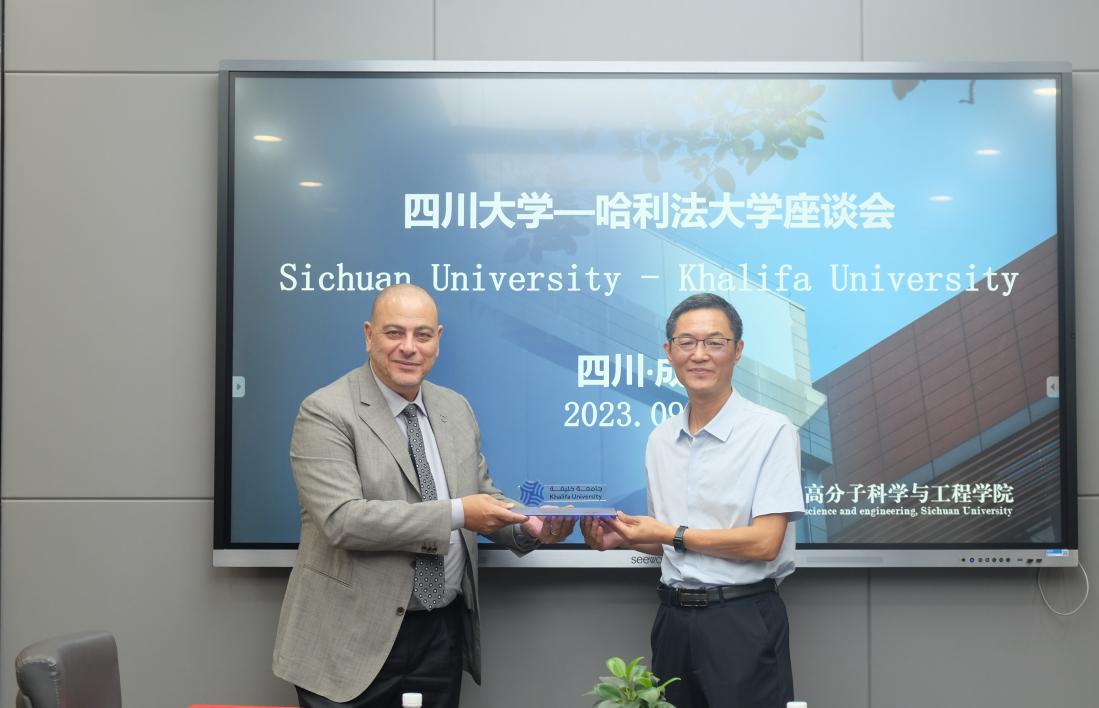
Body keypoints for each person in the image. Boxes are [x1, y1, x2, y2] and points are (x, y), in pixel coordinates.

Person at [273, 284, 574, 708]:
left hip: (439, 636)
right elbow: (343, 520)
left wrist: (532, 525)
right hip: (349, 639)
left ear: (438, 339)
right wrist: (458, 513)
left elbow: (480, 495)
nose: (409, 347)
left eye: (423, 335)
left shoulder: (456, 408)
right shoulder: (326, 411)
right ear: (369, 336)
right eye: (394, 333)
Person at [582, 292, 804, 708]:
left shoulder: (771, 430)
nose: (699, 355)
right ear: (669, 352)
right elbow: (667, 538)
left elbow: (765, 543)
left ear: (737, 350)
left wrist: (671, 533)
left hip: (742, 619)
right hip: (672, 620)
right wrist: (624, 539)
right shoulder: (660, 439)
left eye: (714, 342)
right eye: (686, 343)